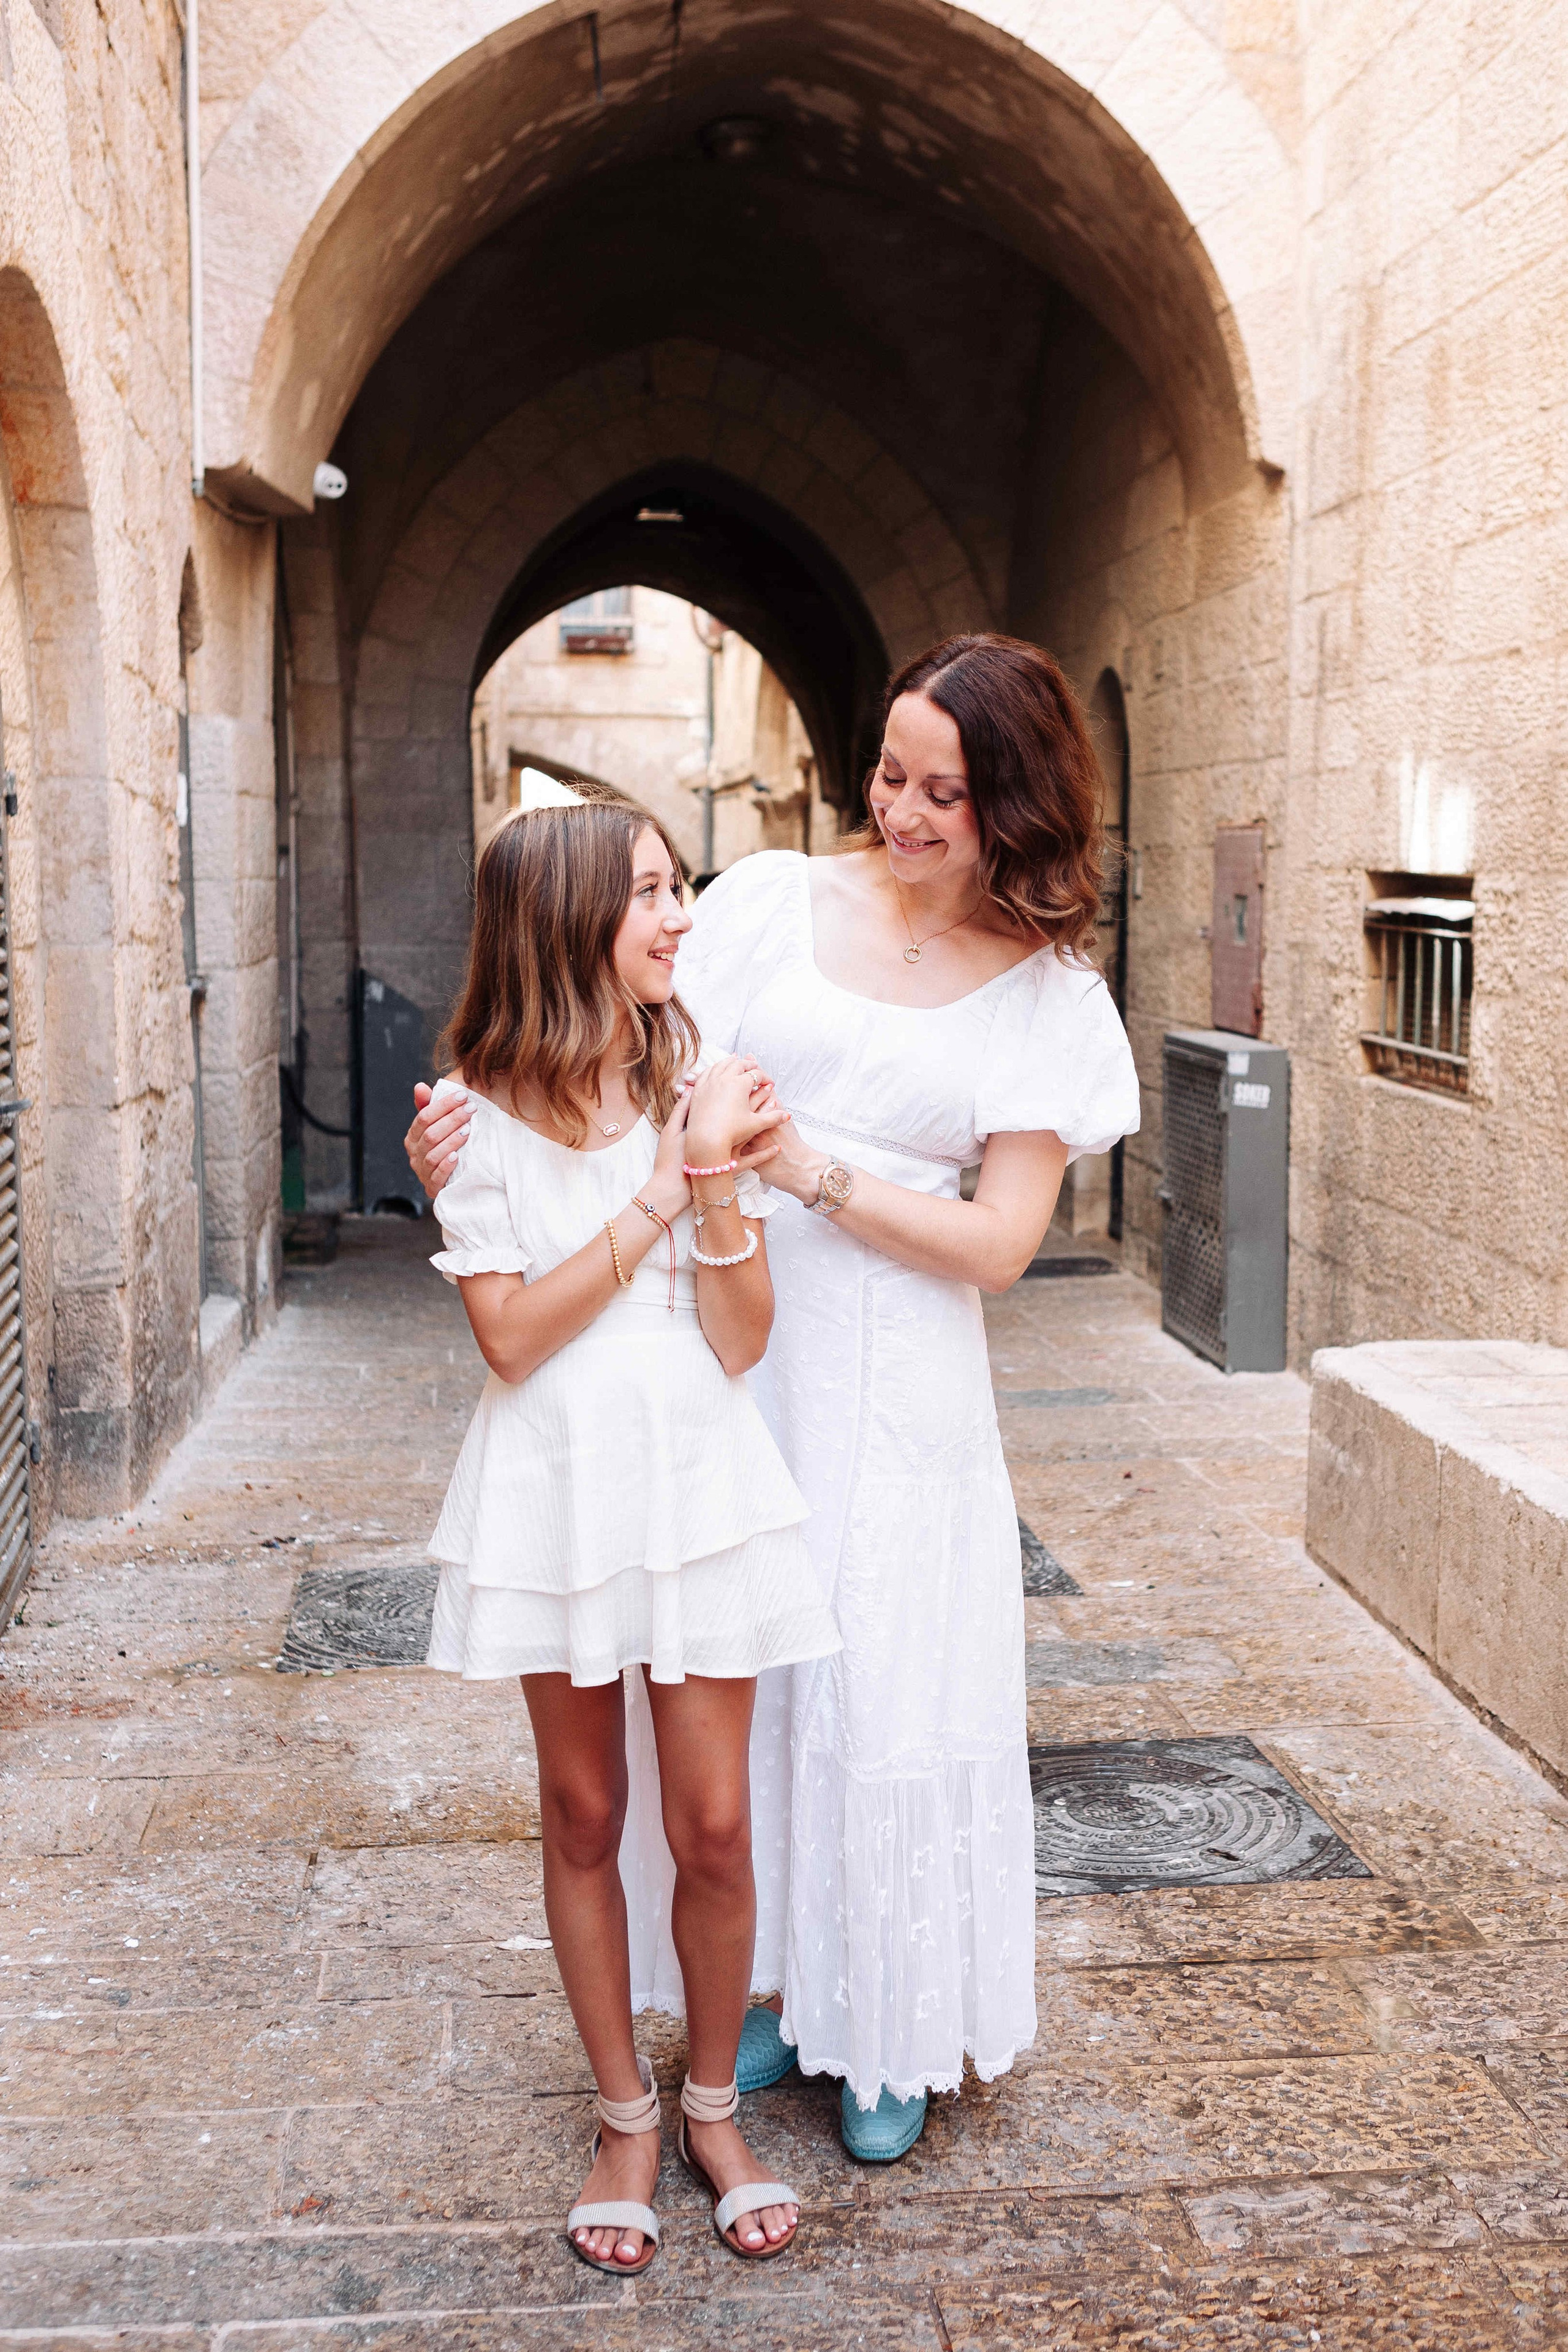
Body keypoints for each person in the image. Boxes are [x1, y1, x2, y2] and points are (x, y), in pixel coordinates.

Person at [409, 638, 1139, 2163]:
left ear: (1015, 801)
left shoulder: (1047, 997)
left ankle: (883, 2019)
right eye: (890, 773)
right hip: (715, 1344)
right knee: (734, 1694)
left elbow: (1000, 1246)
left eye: (947, 790)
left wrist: (806, 1172)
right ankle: (752, 1990)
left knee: (882, 1672)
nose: (907, 811)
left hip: (901, 1370)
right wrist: (469, 1141)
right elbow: (614, 1050)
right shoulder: (766, 905)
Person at [421, 777, 840, 2272]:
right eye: (652, 891)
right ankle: (623, 2114)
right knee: (585, 1812)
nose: (679, 916)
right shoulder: (467, 1123)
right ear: (565, 920)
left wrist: (706, 1174)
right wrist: (660, 1195)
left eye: (679, 885)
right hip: (555, 1479)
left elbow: (741, 1340)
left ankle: (715, 2103)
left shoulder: (701, 1079)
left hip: (697, 1469)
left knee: (712, 1820)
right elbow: (513, 1341)